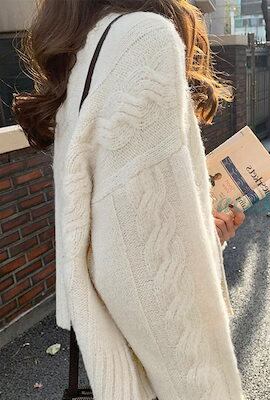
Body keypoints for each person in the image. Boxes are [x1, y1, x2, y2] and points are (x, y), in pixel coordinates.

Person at [12, 1, 246, 399]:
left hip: (126, 349)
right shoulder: (141, 39)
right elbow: (150, 264)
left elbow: (122, 228)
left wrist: (202, 231)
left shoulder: (84, 54)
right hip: (166, 369)